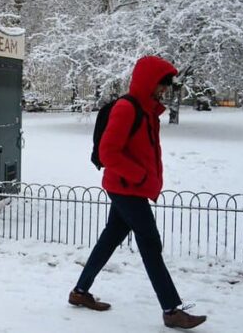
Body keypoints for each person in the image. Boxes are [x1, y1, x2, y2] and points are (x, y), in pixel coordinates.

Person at [68, 56, 207, 329]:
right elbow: (109, 153)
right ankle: (171, 310)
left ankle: (80, 293)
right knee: (150, 243)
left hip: (130, 188)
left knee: (110, 239)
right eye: (161, 84)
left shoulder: (147, 111)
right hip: (126, 188)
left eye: (166, 85)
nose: (164, 89)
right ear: (149, 82)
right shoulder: (127, 108)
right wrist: (140, 176)